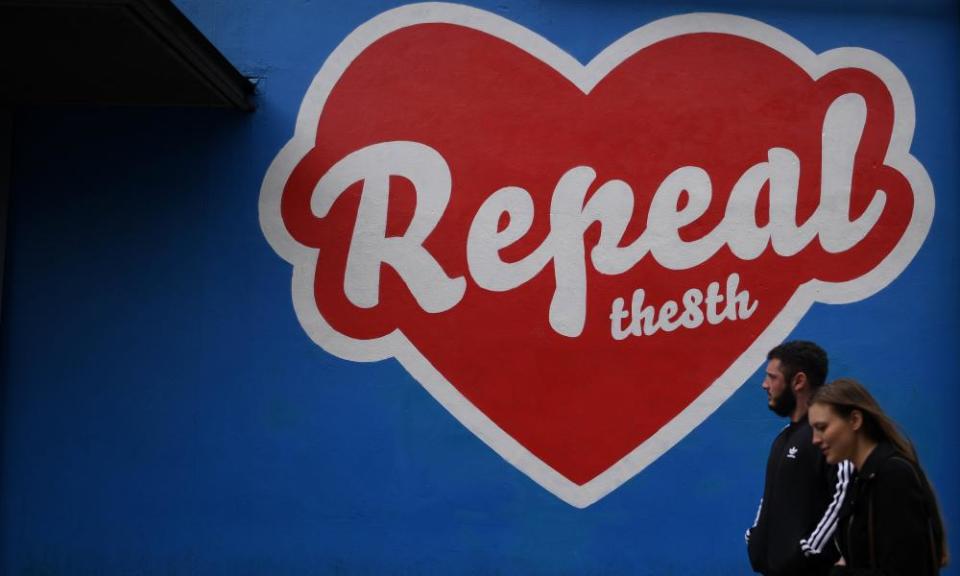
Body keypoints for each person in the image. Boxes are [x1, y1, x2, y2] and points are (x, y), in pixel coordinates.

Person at [808, 378, 948, 575]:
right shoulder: (861, 479)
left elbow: (909, 569)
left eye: (822, 428)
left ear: (855, 420)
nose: (814, 439)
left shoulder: (893, 475)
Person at [746, 340, 852, 575]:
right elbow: (770, 495)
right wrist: (755, 537)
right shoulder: (783, 438)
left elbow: (844, 496)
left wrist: (808, 550)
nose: (765, 385)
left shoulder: (828, 436)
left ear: (799, 381)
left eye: (772, 377)